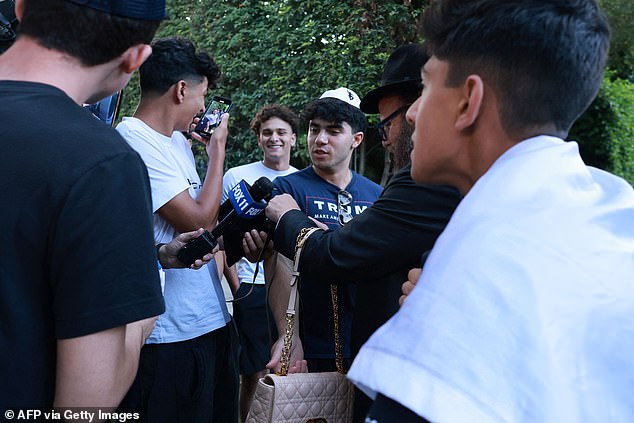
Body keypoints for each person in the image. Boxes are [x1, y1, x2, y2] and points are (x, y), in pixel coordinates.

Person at [348, 0, 634, 422]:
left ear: (468, 101)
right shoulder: (611, 216)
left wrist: (449, 301)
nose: (411, 112)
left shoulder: (483, 267)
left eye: (426, 87)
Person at [259, 44, 461, 422]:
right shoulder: (293, 185)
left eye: (388, 124)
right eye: (314, 130)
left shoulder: (418, 185)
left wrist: (290, 219)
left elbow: (335, 255)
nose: (386, 137)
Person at [0, 0, 166, 410]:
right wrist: (143, 314)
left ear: (21, 8)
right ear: (135, 58)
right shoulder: (104, 164)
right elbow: (85, 405)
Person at [116, 37, 239, 422]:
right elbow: (200, 219)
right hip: (169, 335)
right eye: (202, 95)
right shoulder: (133, 138)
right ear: (181, 90)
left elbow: (207, 223)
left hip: (210, 322)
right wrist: (218, 153)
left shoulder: (177, 143)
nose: (204, 108)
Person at [262, 88, 383, 374]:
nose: (320, 139)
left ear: (356, 139)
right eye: (314, 129)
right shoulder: (287, 190)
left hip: (367, 343)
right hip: (310, 347)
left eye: (333, 131)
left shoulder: (377, 195)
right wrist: (289, 335)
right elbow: (279, 262)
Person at [221, 104, 299, 421]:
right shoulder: (236, 177)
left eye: (281, 132)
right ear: (258, 139)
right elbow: (221, 238)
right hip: (250, 288)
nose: (274, 138)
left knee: (289, 371)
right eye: (267, 132)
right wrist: (237, 285)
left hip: (291, 292)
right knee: (252, 373)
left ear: (294, 139)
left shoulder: (301, 181)